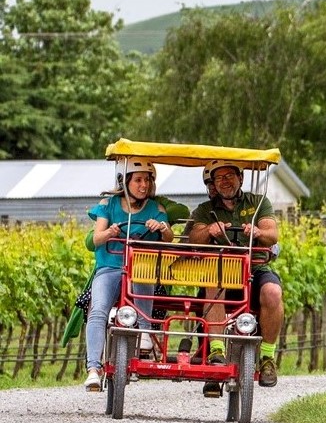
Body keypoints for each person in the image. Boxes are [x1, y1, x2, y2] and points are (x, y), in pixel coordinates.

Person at [184, 161, 283, 392]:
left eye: (229, 176)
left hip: (254, 270)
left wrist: (259, 231)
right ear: (213, 184)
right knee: (212, 283)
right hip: (221, 271)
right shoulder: (204, 210)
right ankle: (216, 352)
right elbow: (193, 240)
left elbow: (272, 234)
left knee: (273, 292)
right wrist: (208, 230)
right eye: (219, 178)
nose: (225, 182)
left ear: (240, 177)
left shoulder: (258, 203)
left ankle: (267, 358)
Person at [83, 160, 174, 392]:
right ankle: (93, 368)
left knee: (142, 276)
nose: (144, 185)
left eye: (148, 180)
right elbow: (95, 239)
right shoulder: (108, 204)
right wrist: (109, 232)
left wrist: (162, 228)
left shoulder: (157, 209)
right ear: (125, 181)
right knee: (98, 308)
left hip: (140, 268)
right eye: (138, 180)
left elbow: (170, 238)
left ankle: (144, 332)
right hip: (110, 266)